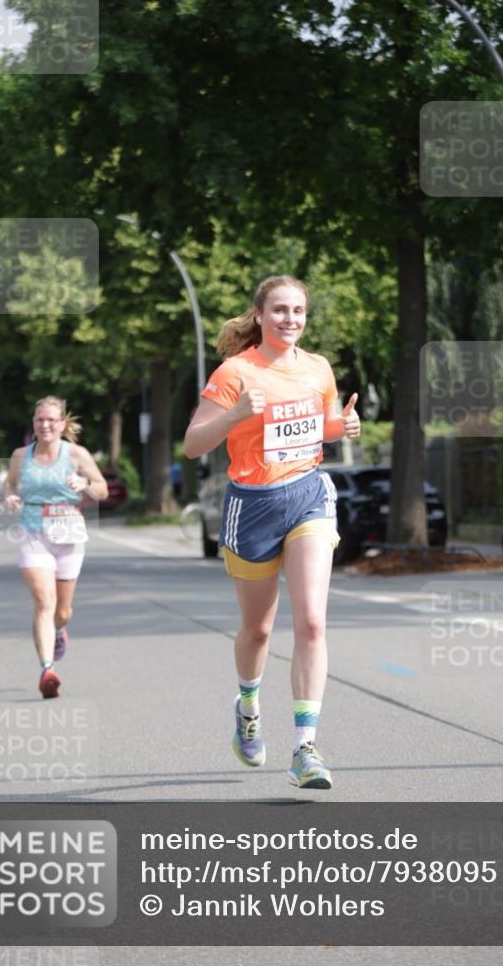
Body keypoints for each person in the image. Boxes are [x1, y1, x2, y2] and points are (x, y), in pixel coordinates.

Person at [184, 275, 360, 789]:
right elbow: (194, 444)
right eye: (280, 310)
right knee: (259, 629)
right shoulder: (235, 372)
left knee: (311, 620)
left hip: (308, 496)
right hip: (253, 505)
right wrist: (235, 413)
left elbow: (318, 428)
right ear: (259, 315)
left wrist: (341, 427)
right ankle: (248, 706)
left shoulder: (318, 369)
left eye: (299, 311)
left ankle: (305, 748)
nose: (291, 319)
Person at [4, 396, 108, 699]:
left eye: (51, 419)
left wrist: (84, 485)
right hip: (33, 532)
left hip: (69, 535)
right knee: (44, 603)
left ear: (62, 423)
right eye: (40, 419)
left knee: (62, 611)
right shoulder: (21, 455)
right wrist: (11, 496)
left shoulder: (76, 454)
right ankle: (47, 670)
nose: (45, 425)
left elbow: (101, 488)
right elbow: (10, 484)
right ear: (34, 424)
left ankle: (60, 629)